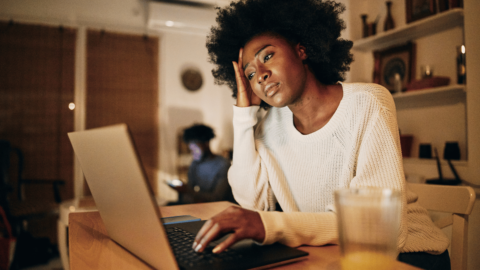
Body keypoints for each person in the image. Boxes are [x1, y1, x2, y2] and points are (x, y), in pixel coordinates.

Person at [191, 1, 451, 269]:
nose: (261, 76)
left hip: (409, 256)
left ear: (301, 50)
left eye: (267, 56)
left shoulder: (368, 103)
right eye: (250, 73)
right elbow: (252, 203)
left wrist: (274, 226)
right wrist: (244, 117)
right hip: (330, 252)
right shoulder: (267, 127)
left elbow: (382, 230)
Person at [167, 124, 234, 205]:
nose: (192, 152)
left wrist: (186, 190)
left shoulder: (223, 165)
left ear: (206, 143)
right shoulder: (194, 164)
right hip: (198, 205)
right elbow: (189, 190)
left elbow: (217, 198)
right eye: (191, 149)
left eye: (195, 148)